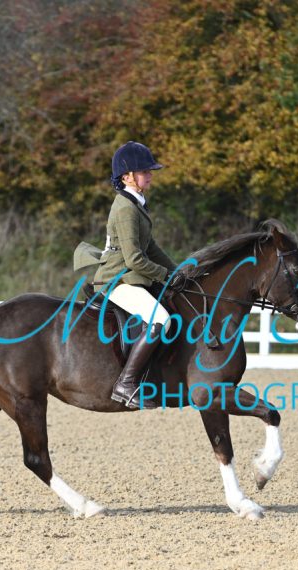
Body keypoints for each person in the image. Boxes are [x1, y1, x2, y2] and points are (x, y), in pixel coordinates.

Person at [93, 141, 179, 410]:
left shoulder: (136, 203)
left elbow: (150, 247)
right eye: (144, 171)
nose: (150, 175)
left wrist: (178, 272)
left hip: (130, 276)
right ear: (127, 177)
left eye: (149, 170)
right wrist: (164, 274)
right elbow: (134, 259)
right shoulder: (125, 208)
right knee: (161, 320)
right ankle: (126, 383)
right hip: (117, 280)